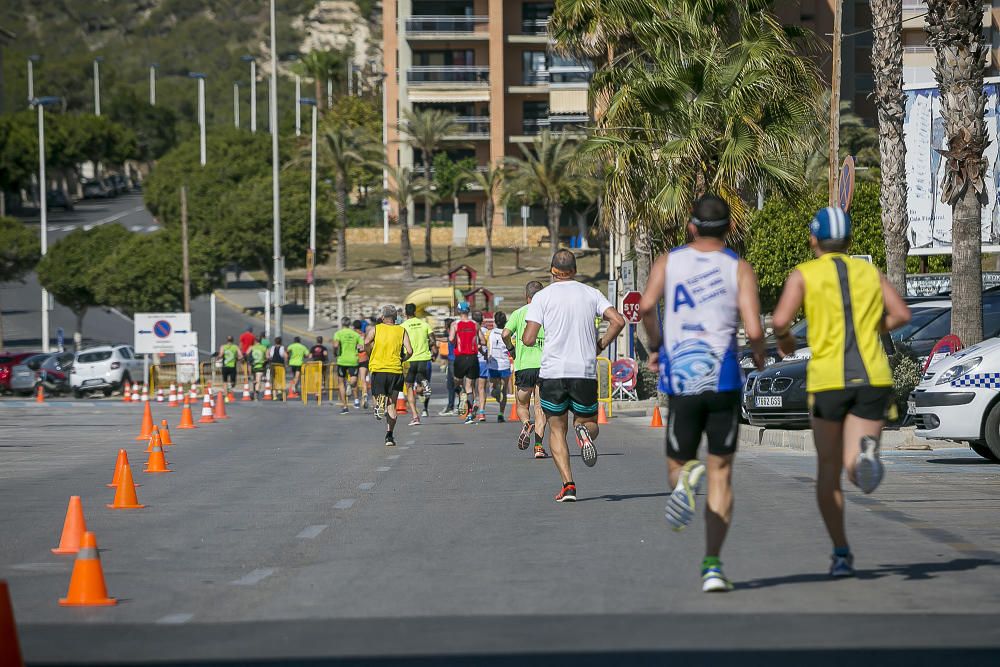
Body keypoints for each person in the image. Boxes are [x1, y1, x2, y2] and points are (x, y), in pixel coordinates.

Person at [772, 206, 910, 578]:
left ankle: (841, 553)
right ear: (849, 240)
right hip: (873, 378)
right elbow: (901, 314)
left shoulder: (804, 274)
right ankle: (862, 457)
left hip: (828, 379)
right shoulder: (869, 271)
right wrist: (873, 325)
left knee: (828, 472)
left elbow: (781, 321)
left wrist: (785, 343)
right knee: (856, 466)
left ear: (813, 239)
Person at [638, 194, 765, 593]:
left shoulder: (668, 262)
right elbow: (755, 329)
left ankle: (684, 478)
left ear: (691, 227)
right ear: (729, 229)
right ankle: (712, 565)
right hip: (724, 379)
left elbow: (644, 307)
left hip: (682, 382)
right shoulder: (738, 268)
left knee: (679, 464)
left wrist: (656, 346)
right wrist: (759, 357)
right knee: (722, 475)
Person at [523, 250, 625, 502]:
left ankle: (568, 485)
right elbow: (618, 321)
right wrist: (599, 345)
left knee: (557, 430)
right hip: (584, 371)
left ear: (552, 271)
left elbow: (528, 338)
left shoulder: (542, 297)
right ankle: (585, 433)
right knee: (588, 422)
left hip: (553, 373)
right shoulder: (591, 293)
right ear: (575, 270)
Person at [503, 281, 548, 459]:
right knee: (540, 409)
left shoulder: (519, 313)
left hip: (524, 366)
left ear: (527, 297)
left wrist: (511, 349)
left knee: (522, 405)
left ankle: (526, 423)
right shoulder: (548, 313)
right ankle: (538, 447)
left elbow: (505, 334)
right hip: (545, 367)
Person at [364, 305, 413, 446]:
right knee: (392, 405)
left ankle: (379, 404)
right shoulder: (402, 330)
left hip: (379, 369)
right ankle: (389, 436)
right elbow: (410, 350)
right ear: (396, 317)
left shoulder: (376, 329)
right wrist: (403, 359)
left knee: (377, 396)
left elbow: (366, 342)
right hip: (395, 372)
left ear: (383, 317)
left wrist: (369, 353)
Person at [400, 303, 435, 426]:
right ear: (415, 311)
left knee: (409, 386)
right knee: (420, 377)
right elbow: (433, 340)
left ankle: (415, 416)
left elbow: (399, 343)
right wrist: (428, 348)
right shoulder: (424, 324)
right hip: (424, 357)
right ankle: (424, 382)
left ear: (405, 313)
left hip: (409, 358)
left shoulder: (403, 326)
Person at [449, 302, 480, 423]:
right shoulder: (475, 324)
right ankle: (471, 412)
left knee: (457, 381)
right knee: (470, 386)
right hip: (472, 357)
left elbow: (451, 339)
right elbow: (482, 340)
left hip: (460, 357)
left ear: (458, 311)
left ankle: (461, 392)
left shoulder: (455, 324)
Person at [333, 318, 364, 414]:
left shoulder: (338, 333)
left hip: (342, 360)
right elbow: (361, 347)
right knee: (353, 381)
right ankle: (350, 386)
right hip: (353, 361)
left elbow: (335, 345)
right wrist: (358, 350)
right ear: (350, 324)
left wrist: (335, 353)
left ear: (342, 324)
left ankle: (345, 406)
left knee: (341, 384)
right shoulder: (355, 334)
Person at [486, 311, 511, 423]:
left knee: (492, 388)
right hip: (504, 364)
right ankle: (501, 414)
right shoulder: (508, 333)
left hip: (493, 364)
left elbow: (485, 345)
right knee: (504, 391)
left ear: (495, 322)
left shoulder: (490, 333)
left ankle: (496, 393)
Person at [472, 311, 490, 424]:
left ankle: (474, 403)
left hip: (473, 360)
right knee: (482, 388)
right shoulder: (487, 332)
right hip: (483, 361)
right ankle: (482, 412)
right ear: (482, 320)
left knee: (470, 385)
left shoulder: (472, 330)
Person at [439, 318, 459, 416]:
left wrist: (435, 339)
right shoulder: (454, 334)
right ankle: (453, 405)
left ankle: (454, 406)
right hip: (453, 360)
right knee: (452, 384)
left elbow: (447, 339)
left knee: (454, 384)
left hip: (453, 360)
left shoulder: (453, 335)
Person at [354, 320, 370, 409]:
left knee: (354, 379)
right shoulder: (365, 335)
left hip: (355, 359)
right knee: (363, 378)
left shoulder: (353, 335)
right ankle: (365, 394)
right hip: (364, 358)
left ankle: (356, 399)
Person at [249, 335, 269, 399]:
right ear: (261, 341)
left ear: (255, 341)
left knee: (254, 379)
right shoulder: (264, 348)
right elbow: (267, 357)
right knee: (258, 380)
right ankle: (256, 393)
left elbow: (246, 354)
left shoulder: (252, 347)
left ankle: (253, 391)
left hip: (252, 366)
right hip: (260, 366)